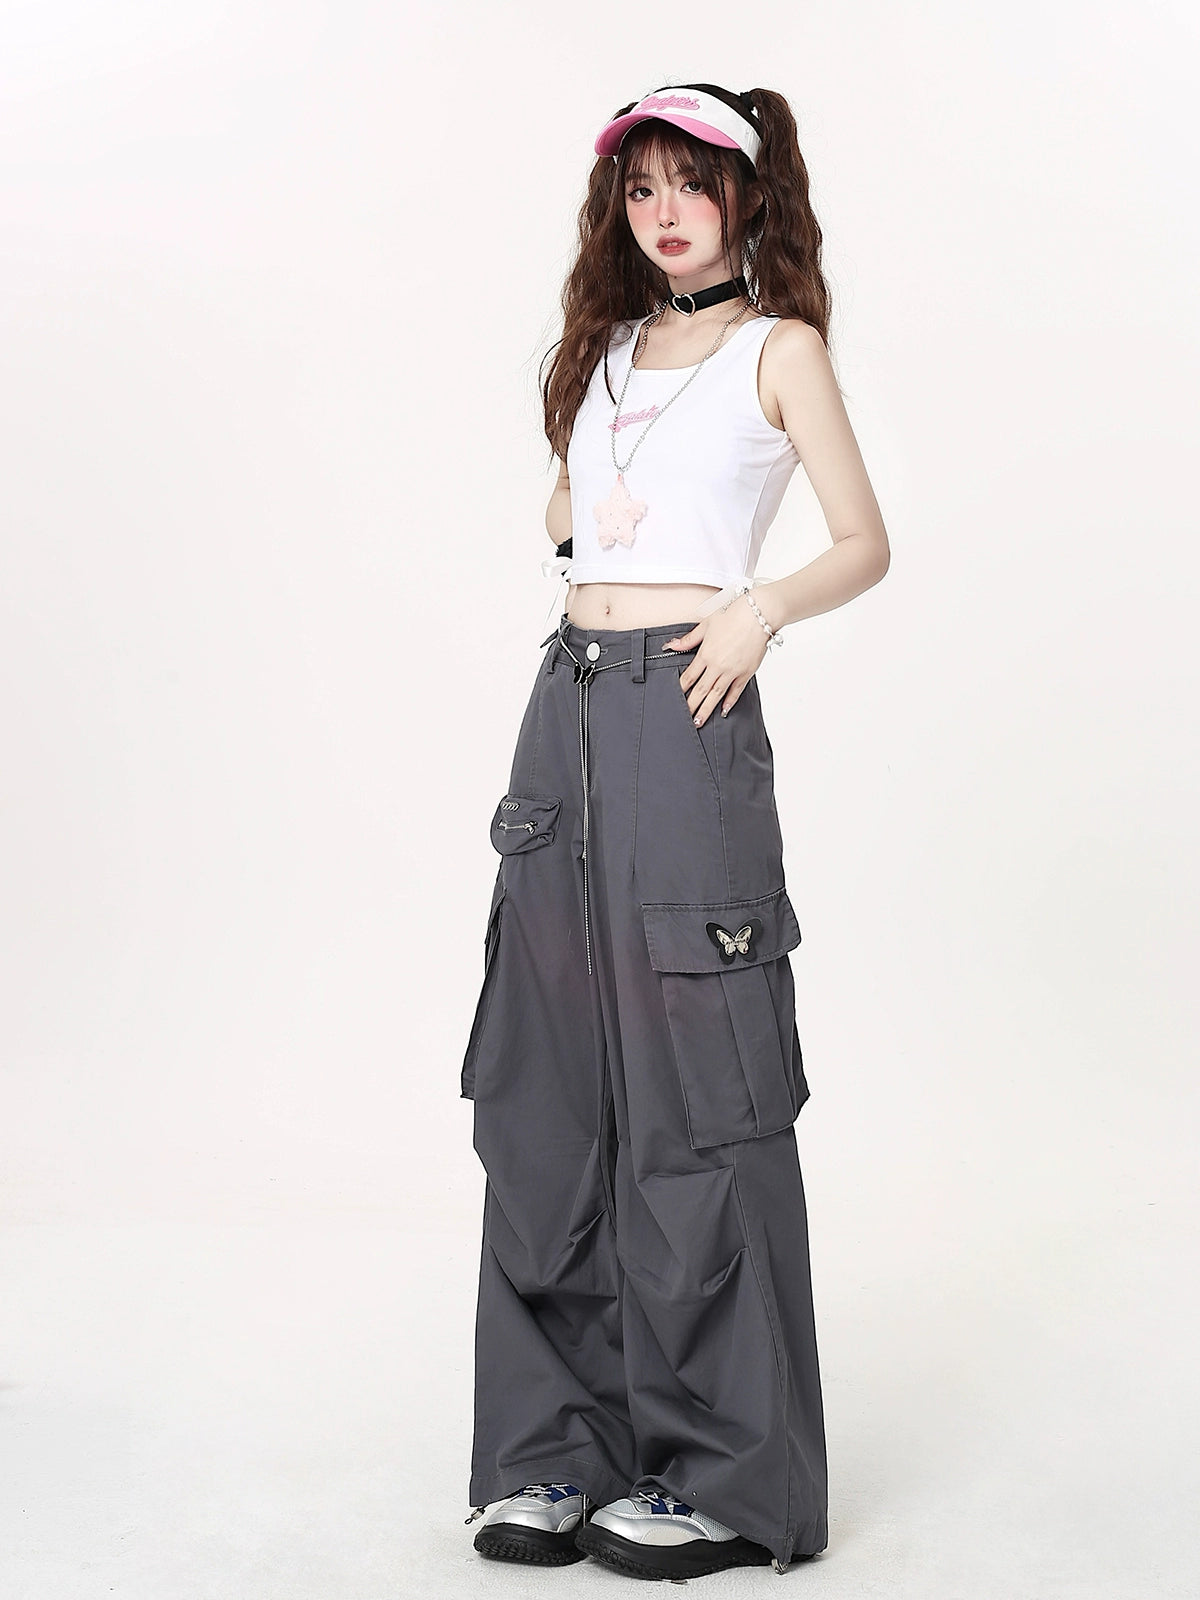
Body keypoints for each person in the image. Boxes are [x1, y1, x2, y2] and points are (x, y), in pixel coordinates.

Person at [459, 81, 890, 1581]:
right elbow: (571, 523)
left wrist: (759, 609)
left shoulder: (782, 348)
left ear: (744, 195)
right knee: (547, 1085)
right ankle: (557, 1451)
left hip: (685, 705)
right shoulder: (605, 351)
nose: (664, 213)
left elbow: (863, 539)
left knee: (701, 1084)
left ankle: (727, 1477)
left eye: (689, 184)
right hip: (566, 707)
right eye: (640, 189)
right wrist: (589, 503)